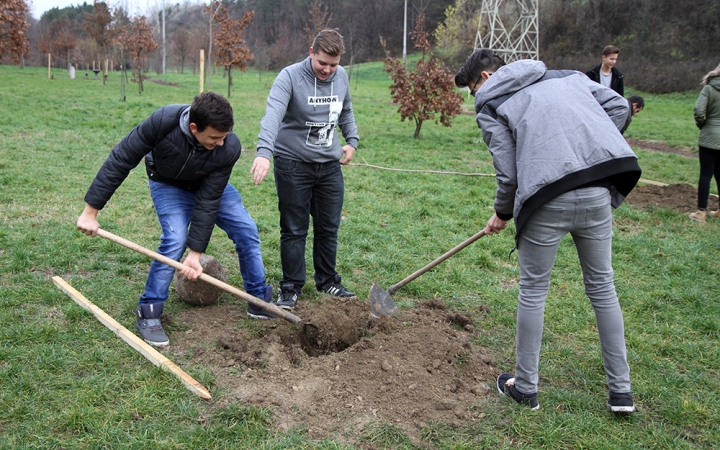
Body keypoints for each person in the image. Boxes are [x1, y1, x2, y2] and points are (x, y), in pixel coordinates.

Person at [455, 49, 641, 413]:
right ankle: (621, 393)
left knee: (533, 291)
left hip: (544, 200)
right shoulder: (568, 75)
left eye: (473, 88)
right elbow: (619, 109)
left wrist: (502, 213)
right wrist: (583, 146)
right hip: (596, 191)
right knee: (603, 287)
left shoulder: (492, 104)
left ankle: (525, 388)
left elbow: (508, 174)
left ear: (488, 77)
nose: (473, 97)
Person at [77, 92, 275, 348]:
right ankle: (149, 311)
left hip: (207, 184)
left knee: (246, 229)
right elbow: (121, 159)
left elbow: (209, 198)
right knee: (174, 239)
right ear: (194, 128)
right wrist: (91, 211)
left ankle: (258, 299)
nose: (221, 143)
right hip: (168, 184)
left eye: (225, 136)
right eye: (214, 137)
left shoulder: (229, 147)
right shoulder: (163, 122)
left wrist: (196, 253)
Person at [250, 29, 359, 311]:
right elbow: (273, 114)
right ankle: (291, 287)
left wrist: (352, 141)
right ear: (311, 52)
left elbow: (345, 110)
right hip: (292, 164)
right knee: (294, 229)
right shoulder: (289, 77)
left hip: (329, 166)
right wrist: (264, 152)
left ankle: (327, 281)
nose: (327, 69)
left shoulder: (341, 76)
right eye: (322, 62)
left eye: (333, 65)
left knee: (328, 227)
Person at [689, 63, 720, 222]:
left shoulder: (709, 88)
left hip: (710, 138)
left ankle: (701, 212)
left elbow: (699, 111)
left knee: (706, 175)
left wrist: (703, 125)